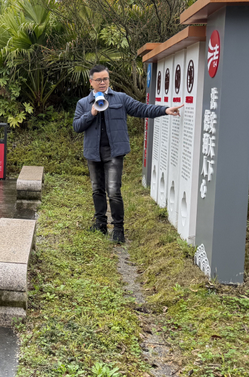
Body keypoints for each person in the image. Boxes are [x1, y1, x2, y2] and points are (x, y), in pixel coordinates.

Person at [73, 64, 182, 243]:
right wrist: (91, 112)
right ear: (91, 81)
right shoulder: (83, 103)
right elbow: (77, 126)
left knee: (114, 191)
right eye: (98, 79)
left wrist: (165, 110)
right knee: (96, 189)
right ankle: (100, 224)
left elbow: (142, 109)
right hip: (93, 153)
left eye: (105, 79)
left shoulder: (120, 98)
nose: (102, 82)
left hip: (114, 153)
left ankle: (118, 229)